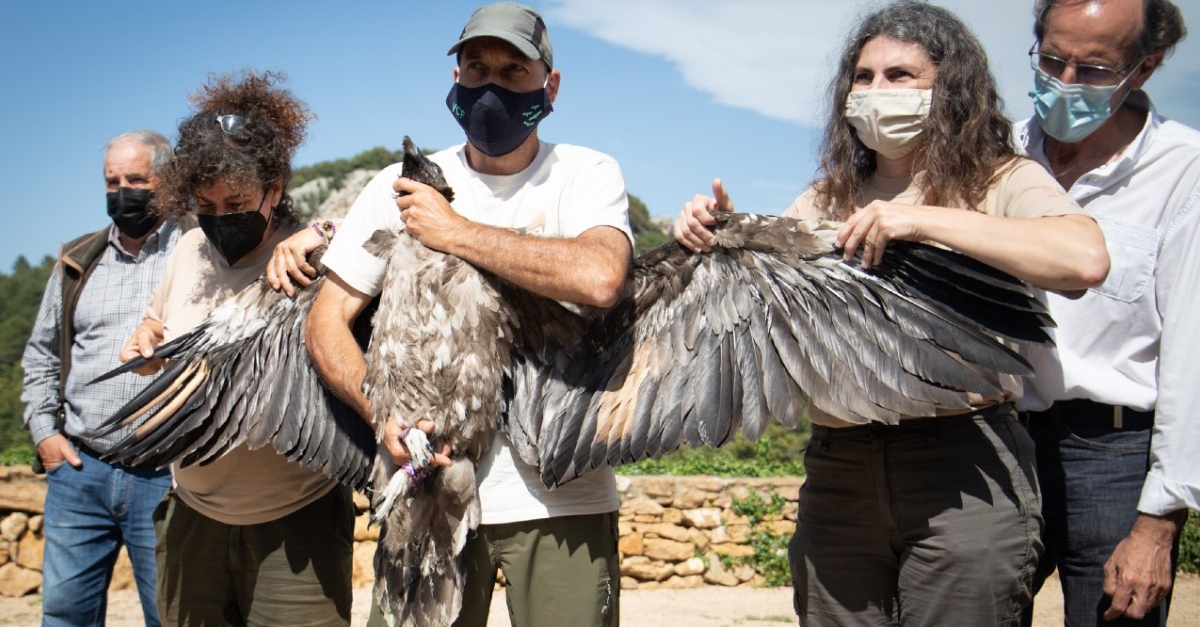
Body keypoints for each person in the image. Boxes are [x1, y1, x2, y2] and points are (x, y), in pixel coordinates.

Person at [674, 2, 1110, 625]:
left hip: (966, 466)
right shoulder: (826, 197)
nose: (877, 90)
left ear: (951, 88)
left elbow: (1084, 259)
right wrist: (718, 237)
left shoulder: (1002, 180)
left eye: (900, 75)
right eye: (864, 76)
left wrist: (919, 220)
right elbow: (769, 314)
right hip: (840, 470)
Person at [306, 3, 631, 626]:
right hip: (427, 493)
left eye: (514, 71)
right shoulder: (394, 189)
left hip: (560, 502)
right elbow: (325, 323)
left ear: (549, 85)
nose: (491, 86)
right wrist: (384, 416)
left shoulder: (584, 173)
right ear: (454, 79)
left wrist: (455, 230)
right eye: (476, 68)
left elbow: (599, 276)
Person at [118, 70, 354, 626]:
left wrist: (324, 231)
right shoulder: (187, 250)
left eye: (238, 201)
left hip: (298, 523)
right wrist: (148, 338)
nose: (221, 217)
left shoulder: (311, 251)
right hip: (191, 517)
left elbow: (389, 237)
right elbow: (157, 322)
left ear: (275, 187)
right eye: (207, 203)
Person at [1014, 0, 1199, 625]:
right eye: (1051, 60)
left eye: (1093, 70)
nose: (1064, 83)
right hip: (995, 442)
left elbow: (1191, 357)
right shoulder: (999, 153)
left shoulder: (1184, 172)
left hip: (1114, 458)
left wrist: (1157, 523)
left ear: (1143, 68)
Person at [21, 130, 181, 627]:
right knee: (65, 614)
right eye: (112, 181)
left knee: (169, 614)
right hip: (80, 470)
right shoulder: (79, 260)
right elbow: (42, 354)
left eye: (137, 179)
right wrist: (45, 434)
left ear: (169, 183)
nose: (122, 191)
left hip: (168, 475)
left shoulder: (198, 252)